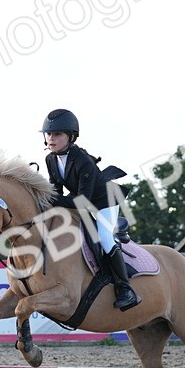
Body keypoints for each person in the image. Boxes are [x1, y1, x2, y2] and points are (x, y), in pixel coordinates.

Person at [41, 108, 140, 311]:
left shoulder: (83, 160)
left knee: (104, 237)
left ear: (71, 137)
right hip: (79, 199)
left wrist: (52, 200)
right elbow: (57, 192)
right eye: (49, 134)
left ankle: (126, 289)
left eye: (57, 134)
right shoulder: (50, 159)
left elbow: (82, 201)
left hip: (105, 201)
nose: (51, 138)